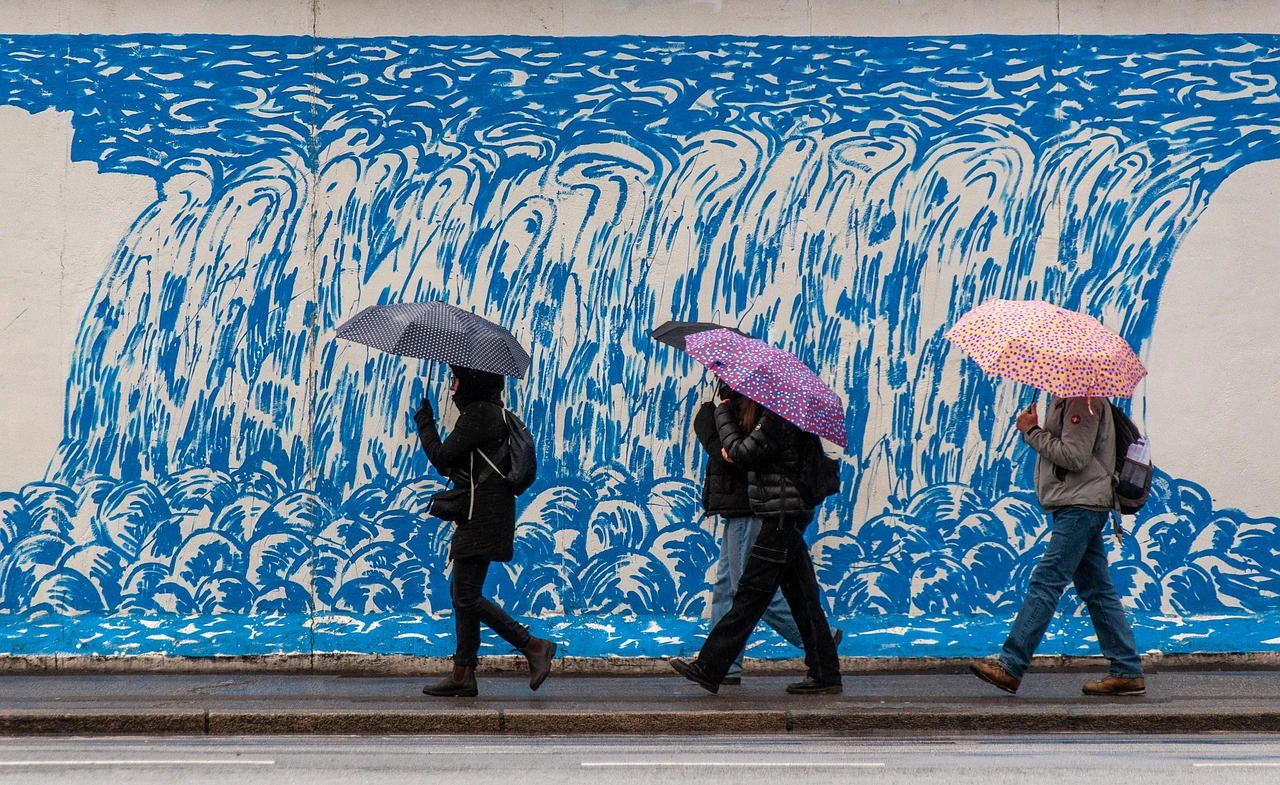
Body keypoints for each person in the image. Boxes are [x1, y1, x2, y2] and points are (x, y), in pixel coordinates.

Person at [671, 385, 842, 695]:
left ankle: (710, 667)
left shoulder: (776, 417)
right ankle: (826, 671)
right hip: (784, 515)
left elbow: (741, 453)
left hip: (780, 516)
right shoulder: (781, 415)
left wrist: (720, 412)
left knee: (749, 595)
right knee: (802, 597)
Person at [970, 395, 1146, 696]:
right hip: (1080, 504)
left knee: (1047, 581)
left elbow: (1074, 457)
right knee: (1097, 590)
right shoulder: (1068, 401)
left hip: (1080, 506)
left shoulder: (1082, 402)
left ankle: (1010, 666)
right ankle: (1127, 670)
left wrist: (1032, 432)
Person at [414, 365, 556, 697]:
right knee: (462, 593)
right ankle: (462, 674)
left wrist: (425, 422)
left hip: (482, 517)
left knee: (465, 595)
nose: (452, 388)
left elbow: (441, 455)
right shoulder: (492, 414)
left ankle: (533, 646)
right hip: (488, 513)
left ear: (474, 383)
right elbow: (463, 463)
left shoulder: (479, 414)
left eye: (457, 380)